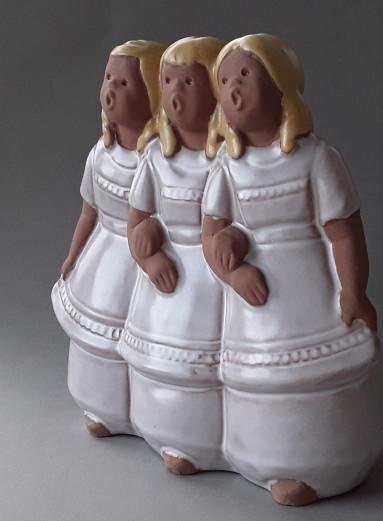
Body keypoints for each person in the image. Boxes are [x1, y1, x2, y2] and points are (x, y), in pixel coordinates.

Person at [202, 34, 383, 505]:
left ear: (280, 86)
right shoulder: (227, 167)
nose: (233, 89)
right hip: (258, 305)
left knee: (318, 375)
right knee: (261, 380)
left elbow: (343, 233)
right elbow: (211, 232)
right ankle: (269, 463)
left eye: (246, 75)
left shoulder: (316, 158)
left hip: (309, 289)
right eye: (225, 80)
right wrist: (231, 269)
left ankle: (333, 461)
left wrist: (353, 292)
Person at [118, 37, 228, 474]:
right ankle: (175, 438)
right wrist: (149, 259)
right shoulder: (155, 158)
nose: (176, 94)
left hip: (217, 278)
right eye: (167, 82)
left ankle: (215, 441)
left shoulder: (227, 159)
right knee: (169, 362)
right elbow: (136, 220)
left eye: (189, 82)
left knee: (215, 367)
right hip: (172, 281)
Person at [51, 40, 165, 437]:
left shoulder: (159, 160)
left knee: (143, 340)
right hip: (105, 255)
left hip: (143, 260)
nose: (111, 89)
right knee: (98, 337)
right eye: (108, 78)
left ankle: (152, 415)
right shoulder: (100, 154)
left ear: (152, 94)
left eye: (125, 83)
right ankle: (103, 407)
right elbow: (89, 212)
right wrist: (74, 255)